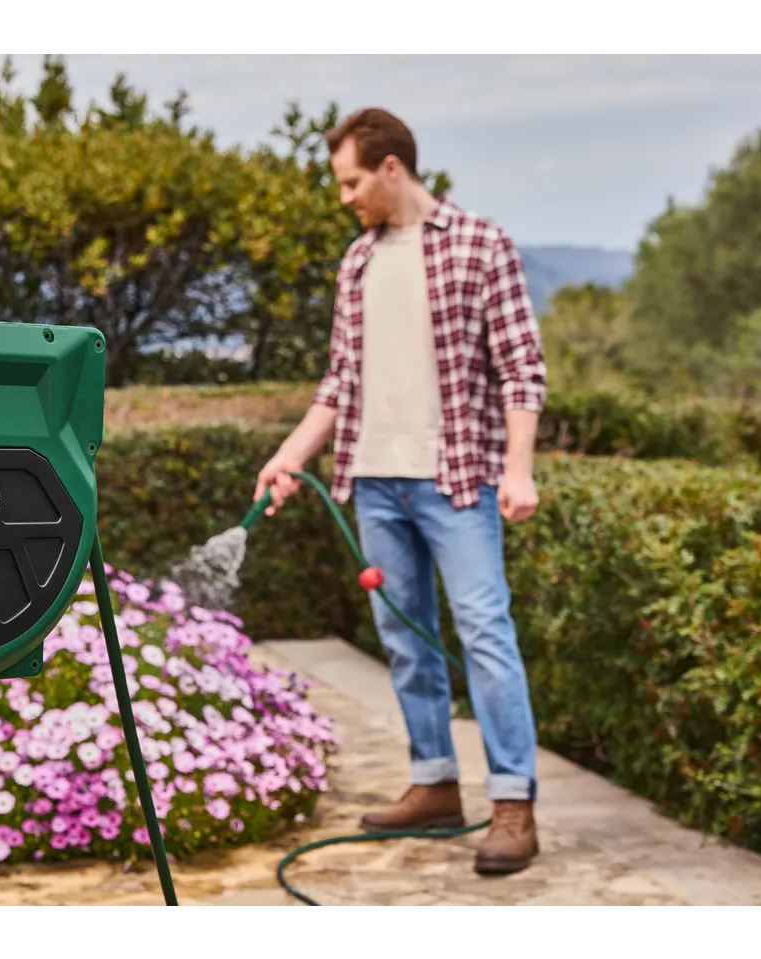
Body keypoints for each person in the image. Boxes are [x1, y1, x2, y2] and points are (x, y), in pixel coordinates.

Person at [253, 107, 547, 876]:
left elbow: (522, 368)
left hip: (457, 482)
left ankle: (512, 802)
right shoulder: (357, 263)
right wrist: (288, 456)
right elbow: (339, 382)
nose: (344, 196)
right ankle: (435, 783)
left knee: (485, 634)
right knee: (406, 640)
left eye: (352, 181)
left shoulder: (480, 244)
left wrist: (518, 468)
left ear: (391, 168)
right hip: (374, 482)